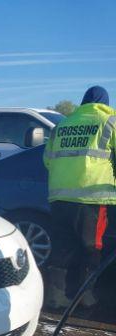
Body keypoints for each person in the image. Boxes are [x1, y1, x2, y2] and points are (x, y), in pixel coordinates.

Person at [44, 86, 116, 309]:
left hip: (59, 197)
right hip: (92, 197)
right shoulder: (110, 121)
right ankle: (85, 298)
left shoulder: (62, 124)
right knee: (91, 248)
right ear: (104, 102)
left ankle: (57, 297)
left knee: (62, 247)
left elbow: (47, 159)